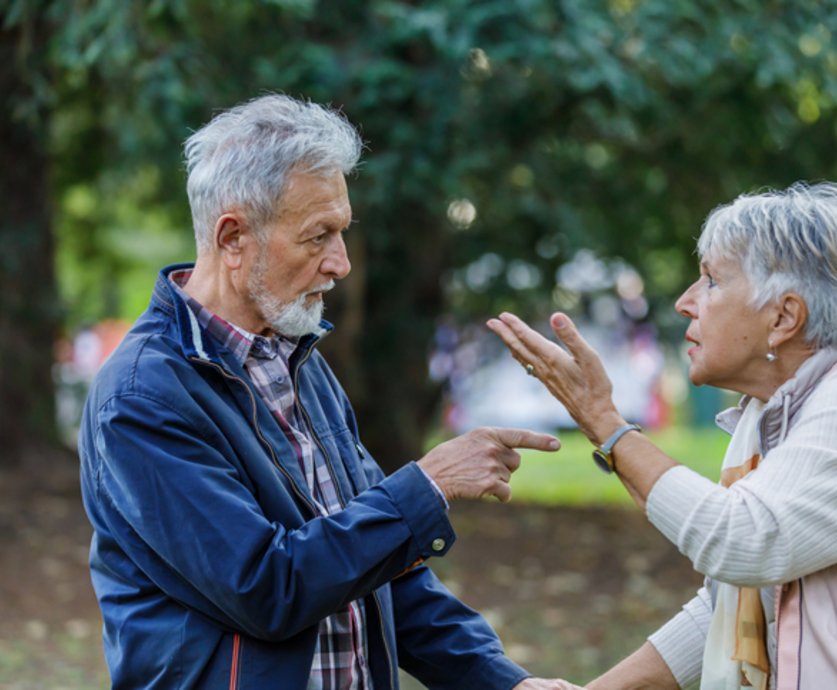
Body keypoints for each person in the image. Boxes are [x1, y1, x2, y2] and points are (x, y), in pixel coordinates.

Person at [78, 94, 583, 690]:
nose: (341, 263)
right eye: (318, 236)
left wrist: (504, 682)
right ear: (233, 238)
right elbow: (266, 589)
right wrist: (428, 484)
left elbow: (381, 571)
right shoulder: (142, 396)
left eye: (342, 232)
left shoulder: (299, 361)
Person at [488, 181, 837, 689]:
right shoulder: (779, 405)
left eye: (711, 281)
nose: (685, 302)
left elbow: (743, 542)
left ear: (784, 316)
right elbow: (731, 607)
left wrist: (605, 424)